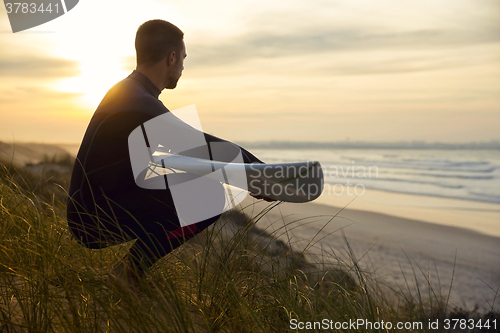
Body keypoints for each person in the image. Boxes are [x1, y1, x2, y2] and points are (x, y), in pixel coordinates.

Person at [67, 20, 271, 287]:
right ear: (172, 57)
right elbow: (203, 147)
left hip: (96, 208)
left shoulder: (129, 93)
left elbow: (188, 153)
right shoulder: (137, 102)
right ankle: (127, 274)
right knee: (211, 195)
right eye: (183, 58)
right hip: (92, 219)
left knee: (197, 181)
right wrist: (257, 172)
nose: (184, 67)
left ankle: (128, 272)